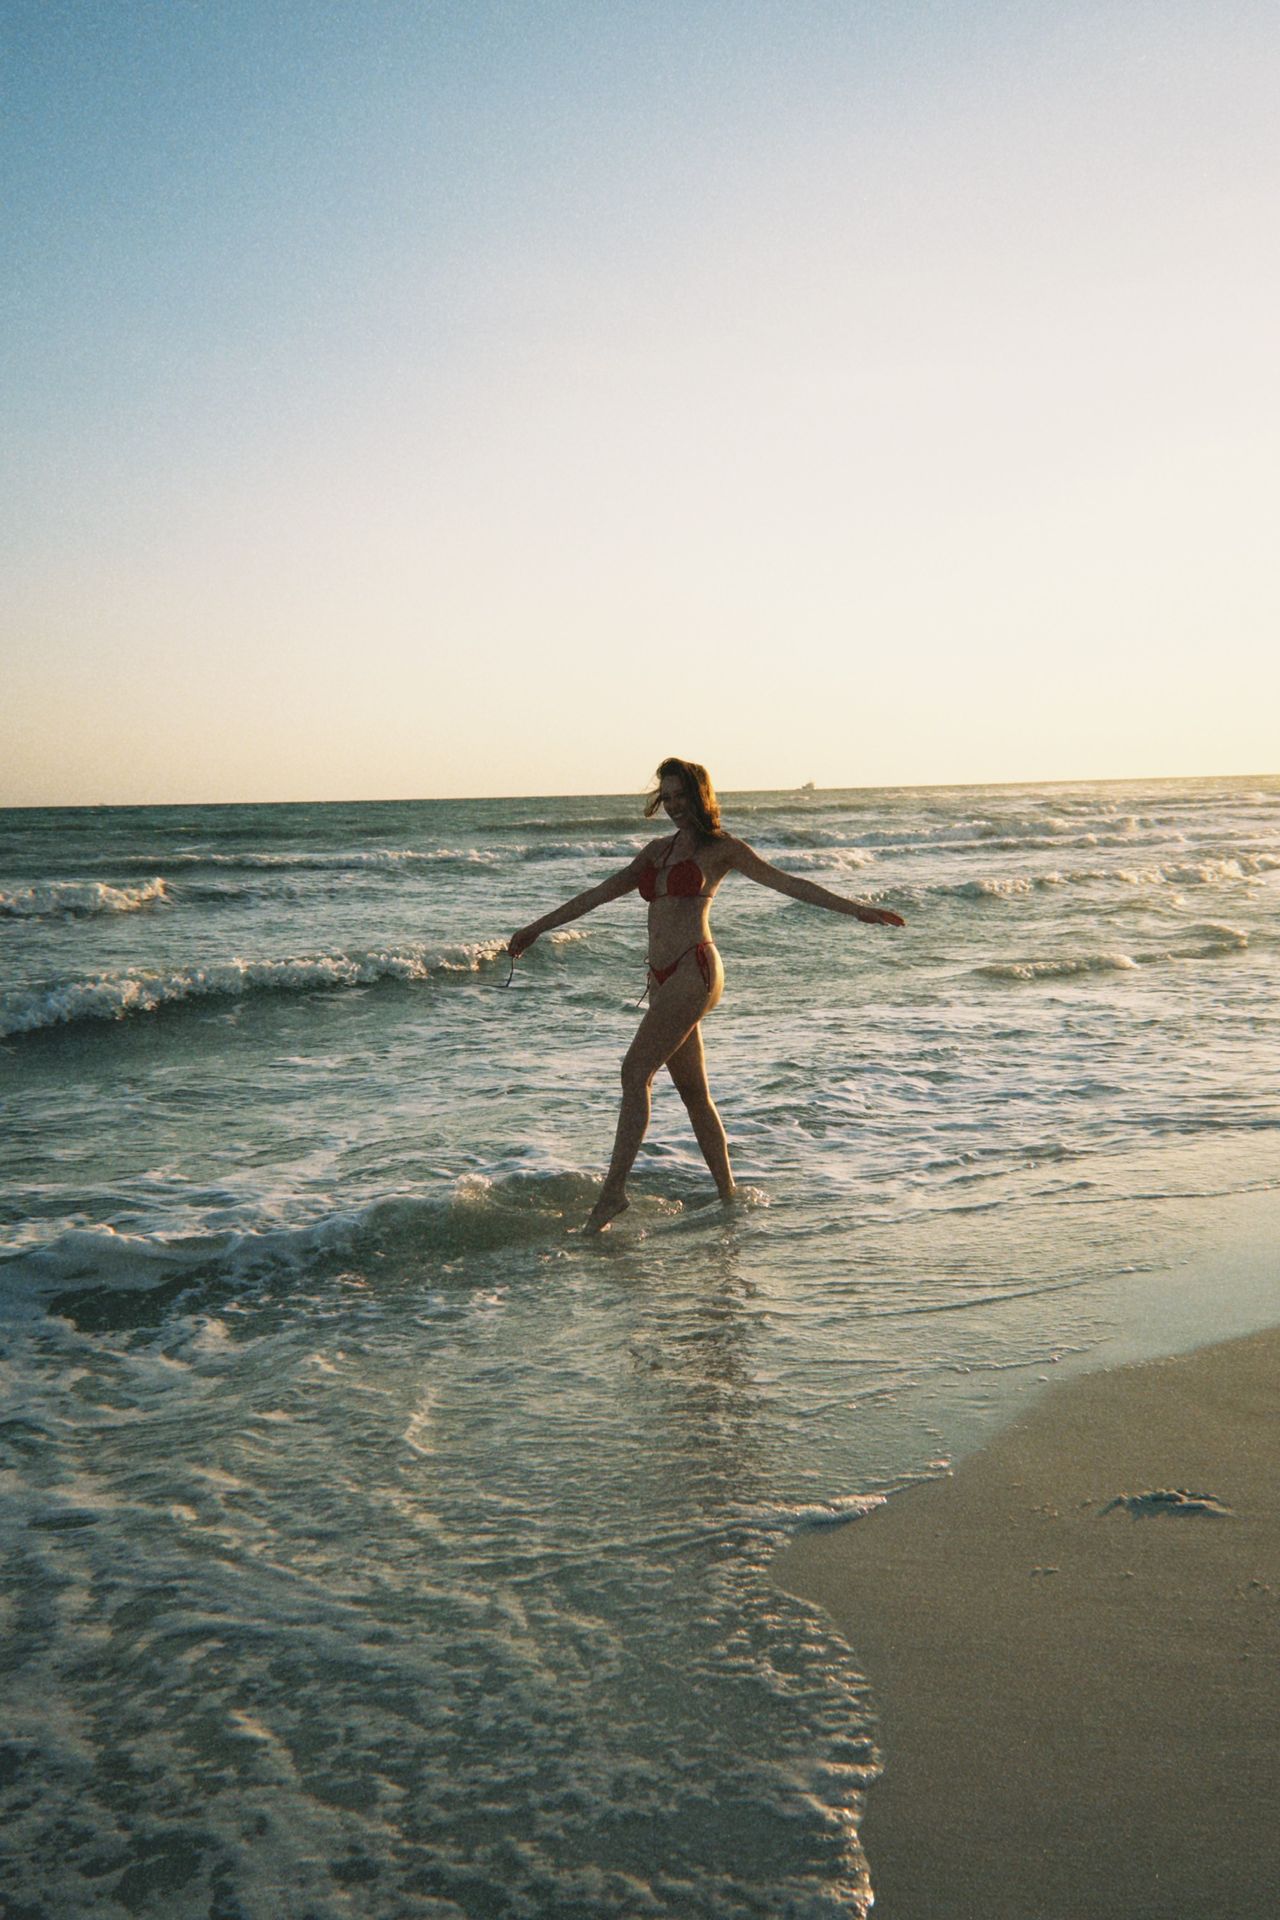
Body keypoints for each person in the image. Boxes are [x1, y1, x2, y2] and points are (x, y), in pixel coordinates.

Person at [507, 757, 906, 1233]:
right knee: (694, 1092)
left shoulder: (723, 849)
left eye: (682, 797)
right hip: (661, 978)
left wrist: (855, 909)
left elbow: (787, 882)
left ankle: (612, 1194)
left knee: (634, 1072)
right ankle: (728, 1197)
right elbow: (598, 893)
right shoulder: (654, 852)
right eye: (668, 797)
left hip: (696, 970)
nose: (674, 806)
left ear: (701, 797)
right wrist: (535, 928)